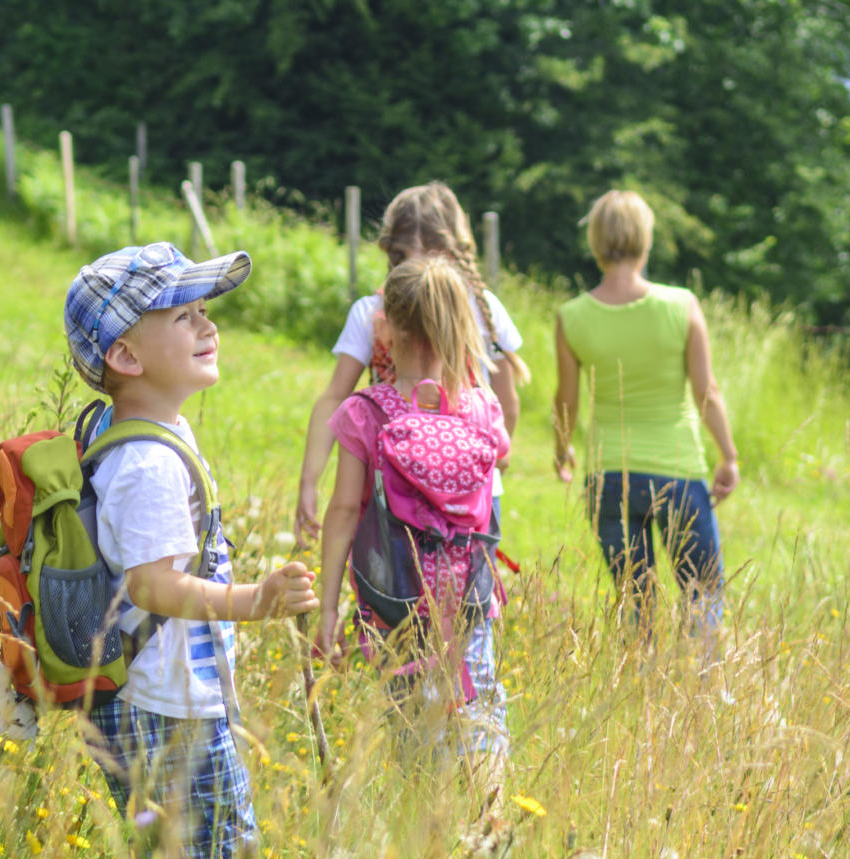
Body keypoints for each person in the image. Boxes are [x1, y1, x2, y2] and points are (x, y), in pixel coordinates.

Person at [61, 242, 319, 859]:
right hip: (163, 710)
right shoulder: (146, 460)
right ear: (126, 357)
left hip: (162, 700)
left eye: (205, 311)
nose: (209, 327)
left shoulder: (155, 430)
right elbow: (150, 585)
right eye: (185, 316)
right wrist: (253, 602)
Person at [314, 256, 512, 793]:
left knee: (413, 737)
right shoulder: (482, 408)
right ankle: (488, 826)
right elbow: (502, 461)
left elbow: (340, 513)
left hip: (393, 607)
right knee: (480, 714)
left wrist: (329, 606)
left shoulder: (365, 413)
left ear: (389, 327)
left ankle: (426, 844)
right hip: (468, 602)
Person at [552, 190, 738, 659]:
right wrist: (728, 456)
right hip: (677, 471)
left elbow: (566, 400)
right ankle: (703, 698)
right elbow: (706, 392)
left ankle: (641, 696)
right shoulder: (682, 305)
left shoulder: (572, 316)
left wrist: (562, 449)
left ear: (595, 241)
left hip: (608, 477)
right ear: (646, 239)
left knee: (635, 603)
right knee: (702, 595)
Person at [294, 182, 526, 545]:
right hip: (461, 492)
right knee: (468, 593)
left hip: (395, 489)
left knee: (393, 589)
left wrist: (311, 479)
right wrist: (492, 459)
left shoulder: (374, 312)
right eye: (407, 258)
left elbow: (333, 398)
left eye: (428, 256)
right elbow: (506, 405)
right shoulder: (482, 309)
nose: (419, 268)